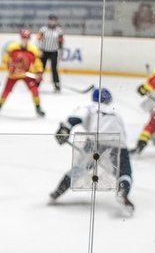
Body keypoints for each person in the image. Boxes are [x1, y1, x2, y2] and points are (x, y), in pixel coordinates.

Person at [49, 87, 135, 216]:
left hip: (96, 141)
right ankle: (123, 192)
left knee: (80, 168)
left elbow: (75, 118)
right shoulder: (115, 113)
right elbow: (123, 132)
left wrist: (65, 130)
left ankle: (57, 192)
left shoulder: (89, 107)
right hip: (118, 142)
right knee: (124, 171)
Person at [0, 28, 45, 117]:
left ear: (29, 39)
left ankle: (38, 107)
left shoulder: (33, 49)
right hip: (14, 74)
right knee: (6, 91)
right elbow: (5, 60)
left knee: (35, 90)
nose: (25, 40)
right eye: (23, 37)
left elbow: (37, 63)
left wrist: (39, 72)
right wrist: (10, 67)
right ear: (20, 38)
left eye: (27, 38)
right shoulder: (12, 48)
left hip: (27, 74)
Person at [37, 14, 64, 92]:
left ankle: (56, 84)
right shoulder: (43, 29)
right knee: (41, 68)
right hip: (44, 51)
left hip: (53, 51)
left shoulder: (59, 30)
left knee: (54, 68)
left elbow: (61, 42)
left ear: (56, 22)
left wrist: (60, 51)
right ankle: (37, 84)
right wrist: (40, 50)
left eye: (54, 20)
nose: (52, 22)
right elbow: (39, 40)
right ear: (48, 21)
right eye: (51, 20)